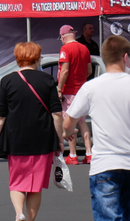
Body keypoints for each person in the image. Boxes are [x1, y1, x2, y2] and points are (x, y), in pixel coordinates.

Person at [63, 35, 130, 221]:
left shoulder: (90, 87)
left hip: (105, 165)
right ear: (126, 58)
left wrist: (69, 134)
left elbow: (68, 122)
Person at [0, 42, 63, 221]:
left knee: (17, 182)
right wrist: (60, 139)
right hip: (42, 140)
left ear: (18, 58)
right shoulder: (48, 80)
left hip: (15, 139)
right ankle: (29, 220)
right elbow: (57, 114)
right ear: (37, 58)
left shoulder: (7, 81)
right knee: (35, 187)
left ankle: (18, 213)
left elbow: (0, 116)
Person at [57, 24, 93, 165]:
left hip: (69, 91)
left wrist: (59, 88)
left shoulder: (65, 49)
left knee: (69, 123)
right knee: (82, 122)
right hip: (82, 91)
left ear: (63, 36)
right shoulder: (85, 48)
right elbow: (89, 70)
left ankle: (72, 155)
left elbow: (64, 71)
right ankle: (89, 153)